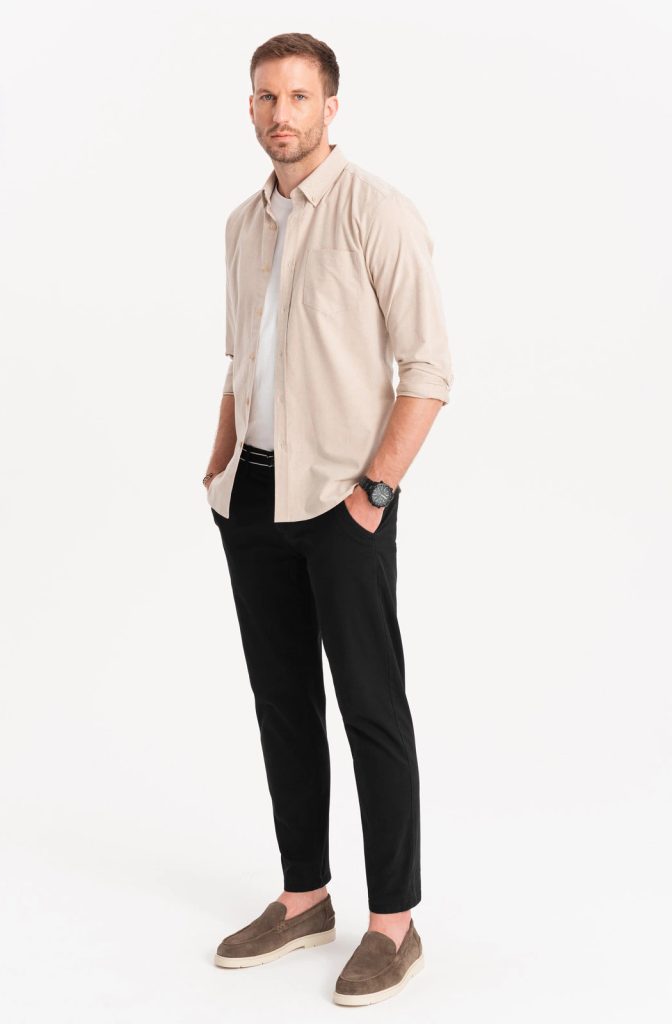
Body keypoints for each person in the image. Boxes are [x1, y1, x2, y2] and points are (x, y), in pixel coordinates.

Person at [204, 32, 453, 1007]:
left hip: (344, 500)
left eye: (299, 97)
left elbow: (427, 369)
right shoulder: (242, 224)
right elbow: (241, 360)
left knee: (371, 709)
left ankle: (394, 924)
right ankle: (304, 896)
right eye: (267, 97)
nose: (282, 114)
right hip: (253, 496)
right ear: (251, 107)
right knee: (281, 703)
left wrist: (373, 494)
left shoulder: (375, 212)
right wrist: (219, 465)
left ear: (330, 107)